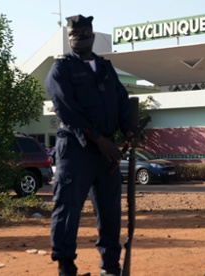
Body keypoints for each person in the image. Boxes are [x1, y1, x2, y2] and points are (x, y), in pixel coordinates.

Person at [45, 14, 133, 276]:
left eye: (85, 32)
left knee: (109, 211)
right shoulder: (60, 69)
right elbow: (66, 109)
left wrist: (128, 129)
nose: (81, 37)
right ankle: (66, 266)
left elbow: (121, 99)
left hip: (107, 153)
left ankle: (110, 266)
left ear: (93, 35)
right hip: (76, 148)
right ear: (68, 37)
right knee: (68, 207)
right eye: (75, 33)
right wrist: (98, 139)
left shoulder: (106, 68)